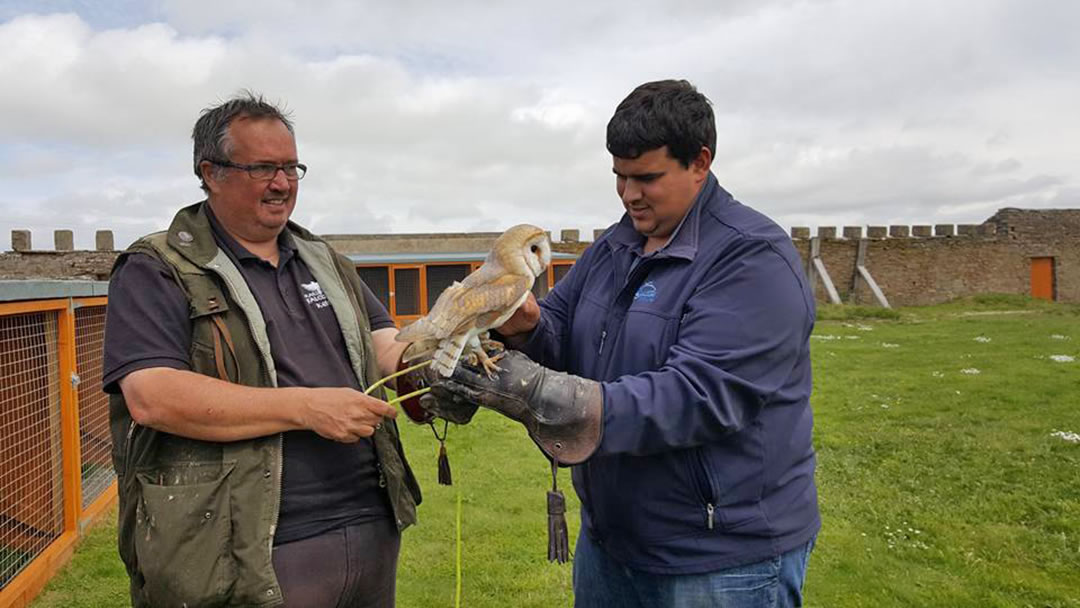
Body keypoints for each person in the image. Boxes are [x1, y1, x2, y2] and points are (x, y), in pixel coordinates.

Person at [425, 79, 820, 607]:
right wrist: (513, 327)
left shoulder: (751, 258)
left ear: (700, 162)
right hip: (611, 542)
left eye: (647, 177)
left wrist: (544, 394)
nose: (629, 193)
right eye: (619, 176)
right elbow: (558, 328)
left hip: (720, 557)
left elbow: (700, 395)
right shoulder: (616, 245)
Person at [103, 92, 421, 608]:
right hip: (245, 544)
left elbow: (384, 344)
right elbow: (152, 394)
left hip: (370, 521)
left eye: (291, 167)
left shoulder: (324, 259)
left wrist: (439, 358)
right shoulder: (157, 267)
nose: (282, 183)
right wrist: (305, 407)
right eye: (263, 168)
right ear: (210, 172)